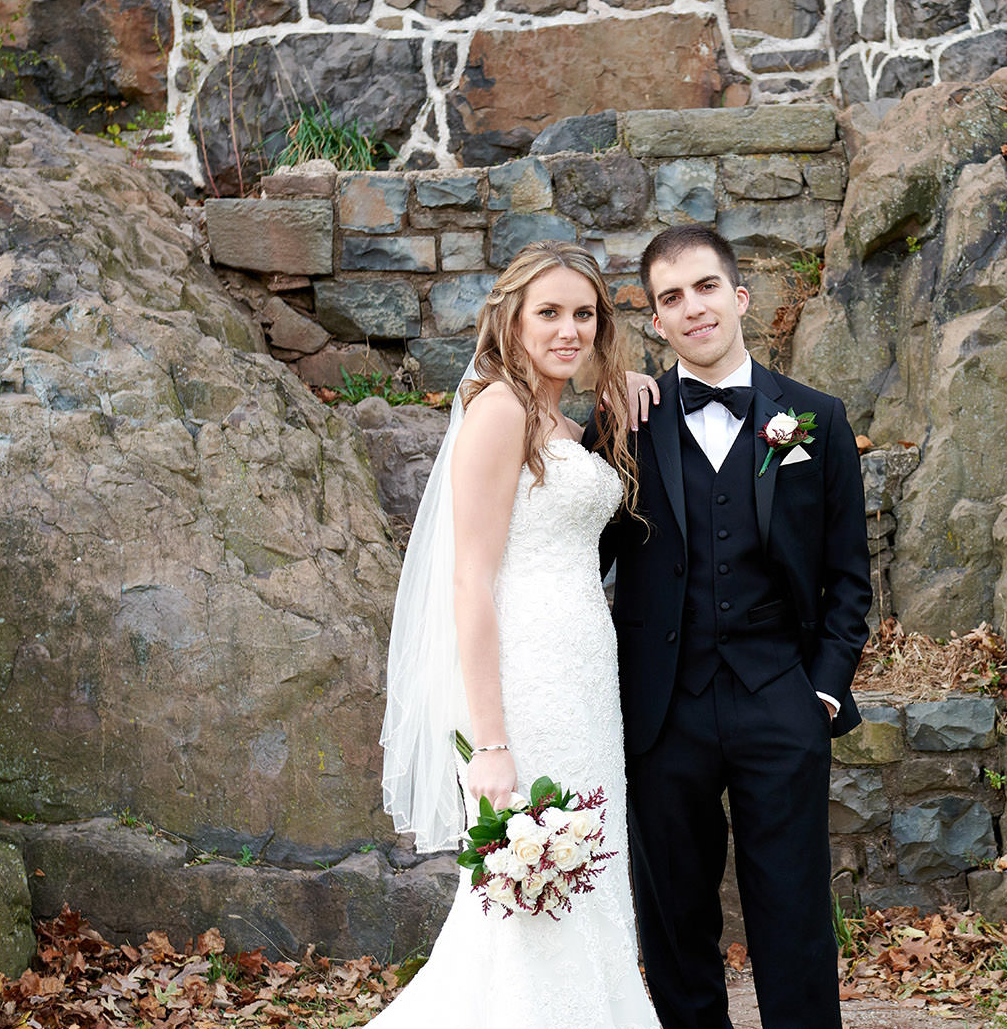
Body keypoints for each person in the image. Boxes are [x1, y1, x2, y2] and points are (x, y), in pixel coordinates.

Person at [365, 244, 661, 1029]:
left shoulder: (564, 420)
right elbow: (471, 581)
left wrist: (619, 390)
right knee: (529, 894)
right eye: (550, 313)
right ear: (512, 319)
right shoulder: (497, 410)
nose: (569, 329)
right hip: (525, 682)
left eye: (584, 314)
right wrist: (490, 743)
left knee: (585, 883)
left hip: (586, 680)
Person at [600, 222, 873, 1029]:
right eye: (671, 298)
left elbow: (850, 576)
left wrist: (821, 691)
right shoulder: (624, 423)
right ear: (656, 321)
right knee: (675, 918)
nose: (693, 308)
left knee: (791, 910)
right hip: (662, 710)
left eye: (705, 287)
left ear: (739, 296)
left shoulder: (815, 421)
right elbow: (576, 548)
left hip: (778, 698)